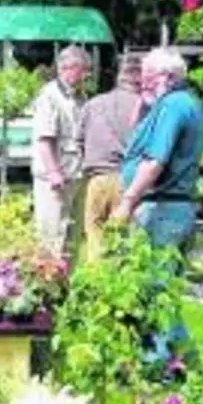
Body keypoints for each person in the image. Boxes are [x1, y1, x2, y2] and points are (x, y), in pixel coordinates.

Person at [111, 47, 203, 370]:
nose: (142, 84)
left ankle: (158, 365)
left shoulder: (173, 107)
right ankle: (186, 359)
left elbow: (154, 161)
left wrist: (127, 203)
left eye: (148, 78)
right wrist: (144, 103)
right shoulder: (181, 103)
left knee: (155, 289)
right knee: (164, 288)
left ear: (167, 77)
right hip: (172, 207)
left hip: (162, 208)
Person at [79, 53, 145, 262]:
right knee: (124, 243)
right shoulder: (144, 107)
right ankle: (119, 287)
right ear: (139, 79)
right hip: (128, 181)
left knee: (95, 238)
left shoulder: (93, 104)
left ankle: (96, 286)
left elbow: (79, 140)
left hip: (96, 180)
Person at [30, 46, 90, 256]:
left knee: (72, 237)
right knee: (51, 234)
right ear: (68, 68)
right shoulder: (49, 96)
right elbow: (44, 139)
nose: (87, 75)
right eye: (84, 70)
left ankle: (68, 284)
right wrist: (54, 172)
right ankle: (47, 286)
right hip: (55, 179)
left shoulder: (80, 95)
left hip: (75, 174)